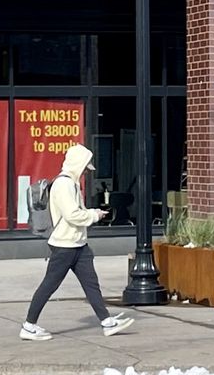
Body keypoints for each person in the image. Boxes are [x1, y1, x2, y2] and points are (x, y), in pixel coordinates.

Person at [21, 145, 134, 342]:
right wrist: (94, 215)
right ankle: (29, 326)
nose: (86, 172)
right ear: (77, 164)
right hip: (65, 245)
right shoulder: (64, 185)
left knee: (91, 285)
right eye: (85, 167)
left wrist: (90, 213)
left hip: (77, 244)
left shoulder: (71, 184)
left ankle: (107, 322)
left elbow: (74, 213)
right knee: (49, 285)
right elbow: (72, 215)